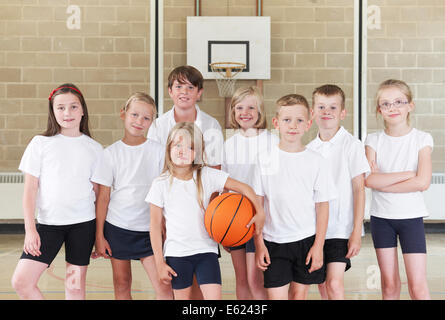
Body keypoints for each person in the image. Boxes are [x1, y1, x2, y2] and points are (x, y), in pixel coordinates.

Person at [146, 122, 265, 300]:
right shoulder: (160, 183)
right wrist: (159, 262)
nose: (182, 150)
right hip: (177, 254)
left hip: (206, 252)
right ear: (169, 148)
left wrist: (259, 212)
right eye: (177, 144)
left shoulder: (207, 175)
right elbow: (155, 227)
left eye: (190, 147)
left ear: (198, 153)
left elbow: (245, 188)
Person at [11, 84, 103, 300]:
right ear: (53, 111)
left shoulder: (94, 149)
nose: (67, 113)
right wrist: (30, 229)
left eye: (73, 107)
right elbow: (30, 190)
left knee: (74, 288)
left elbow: (99, 196)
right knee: (22, 282)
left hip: (82, 227)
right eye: (60, 108)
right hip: (48, 227)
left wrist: (100, 235)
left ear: (82, 110)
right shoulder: (40, 144)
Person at [91, 93, 173, 300]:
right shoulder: (110, 153)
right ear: (123, 114)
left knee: (164, 286)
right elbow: (103, 198)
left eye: (146, 118)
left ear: (152, 122)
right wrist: (99, 236)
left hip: (149, 230)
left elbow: (165, 192)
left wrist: (164, 223)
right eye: (135, 114)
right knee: (121, 283)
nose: (139, 121)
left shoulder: (159, 152)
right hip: (117, 227)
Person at [253, 94, 332, 300]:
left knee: (299, 295)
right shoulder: (264, 159)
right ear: (276, 123)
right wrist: (259, 243)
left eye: (299, 120)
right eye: (287, 120)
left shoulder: (317, 161)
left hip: (306, 240)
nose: (293, 126)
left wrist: (318, 246)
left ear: (308, 124)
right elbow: (257, 207)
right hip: (273, 241)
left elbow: (322, 206)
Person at [364, 79, 432, 300]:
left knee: (418, 286)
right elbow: (369, 181)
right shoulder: (373, 140)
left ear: (410, 105)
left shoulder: (421, 139)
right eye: (385, 104)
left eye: (399, 102)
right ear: (379, 109)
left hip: (411, 218)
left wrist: (383, 182)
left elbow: (423, 183)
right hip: (381, 219)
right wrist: (407, 175)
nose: (392, 108)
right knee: (390, 285)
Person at [307, 84, 370, 300]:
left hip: (341, 229)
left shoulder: (352, 145)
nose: (327, 112)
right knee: (323, 284)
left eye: (333, 107)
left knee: (334, 283)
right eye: (321, 107)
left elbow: (359, 189)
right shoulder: (309, 150)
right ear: (312, 112)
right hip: (316, 230)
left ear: (342, 113)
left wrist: (356, 231)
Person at [222, 86, 278, 300]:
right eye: (239, 107)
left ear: (260, 111)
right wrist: (224, 224)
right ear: (233, 111)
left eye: (251, 107)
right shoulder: (228, 144)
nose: (245, 112)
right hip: (235, 220)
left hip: (262, 220)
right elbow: (225, 187)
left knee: (257, 281)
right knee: (242, 279)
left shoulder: (272, 142)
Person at [147, 65, 223, 169]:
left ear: (199, 93)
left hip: (201, 184)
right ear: (170, 91)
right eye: (178, 87)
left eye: (190, 87)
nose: (184, 92)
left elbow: (215, 166)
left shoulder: (211, 124)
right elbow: (152, 164)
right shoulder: (158, 126)